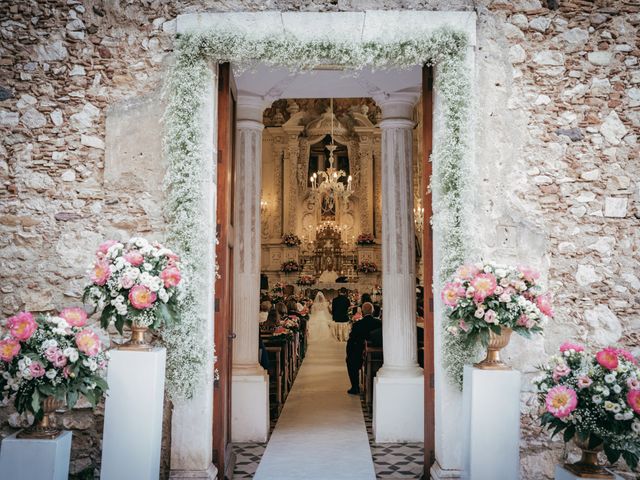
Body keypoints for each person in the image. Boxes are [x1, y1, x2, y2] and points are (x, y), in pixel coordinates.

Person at [345, 302, 381, 395]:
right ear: (372, 311)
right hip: (378, 354)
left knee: (350, 360)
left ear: (362, 312)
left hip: (359, 354)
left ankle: (355, 387)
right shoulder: (379, 323)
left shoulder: (357, 325)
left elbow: (352, 338)